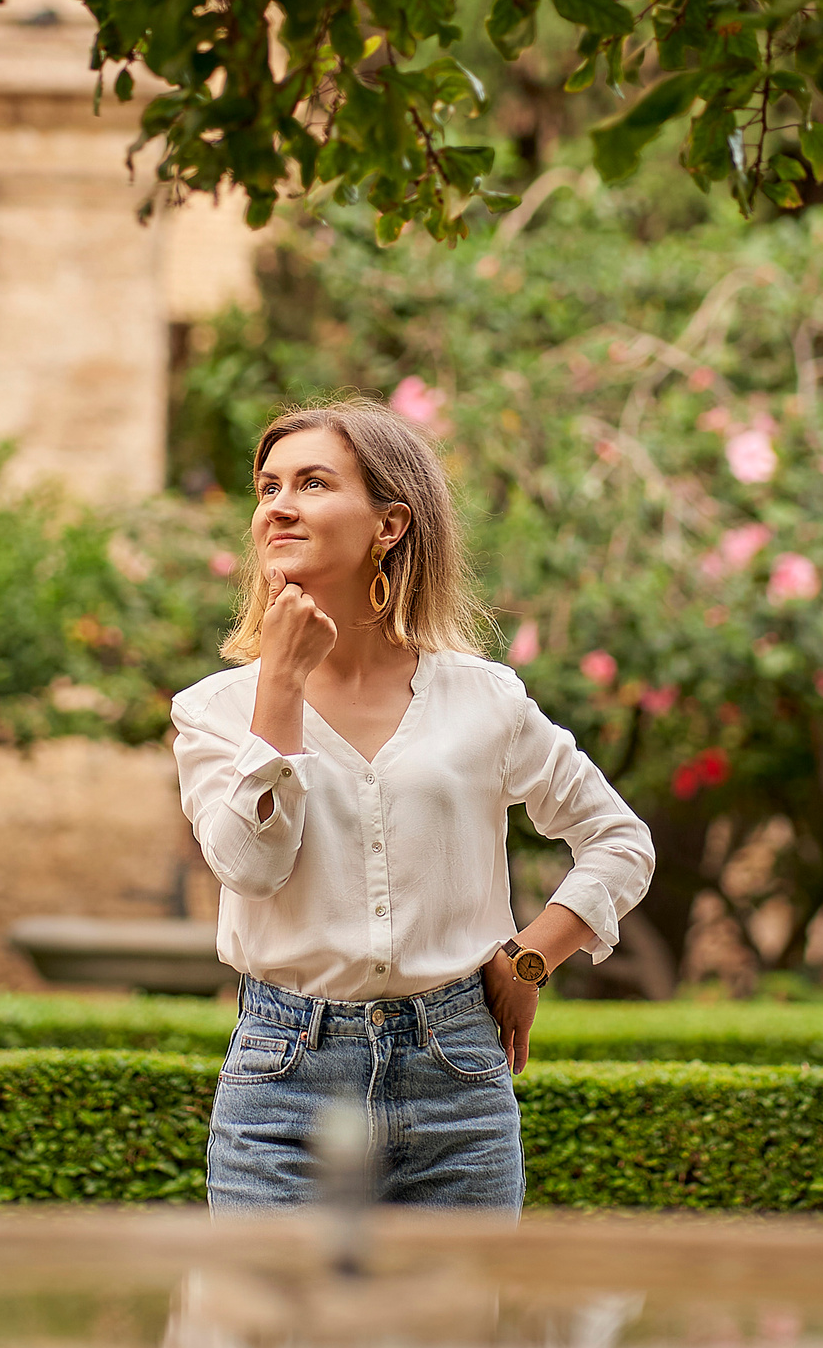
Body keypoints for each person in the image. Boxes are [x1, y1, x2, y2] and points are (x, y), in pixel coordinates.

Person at [170, 399, 656, 1214]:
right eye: (268, 487)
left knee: (451, 1342)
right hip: (281, 1082)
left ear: (389, 524)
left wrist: (531, 955)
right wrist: (280, 686)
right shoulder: (216, 710)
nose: (278, 505)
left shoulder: (484, 700)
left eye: (313, 482)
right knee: (275, 1336)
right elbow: (250, 870)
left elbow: (618, 840)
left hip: (457, 1081)